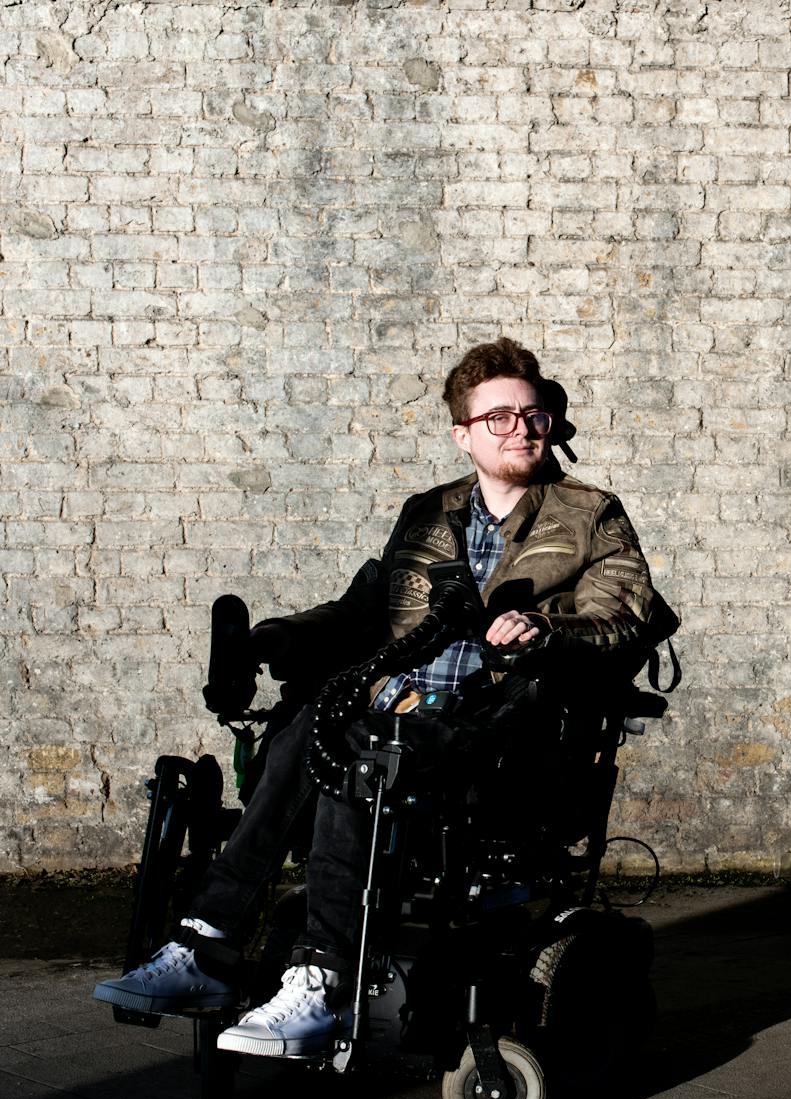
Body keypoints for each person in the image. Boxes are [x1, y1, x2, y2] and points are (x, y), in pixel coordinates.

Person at [94, 336, 674, 1057]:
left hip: (496, 729)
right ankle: (206, 945)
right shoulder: (428, 513)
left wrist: (543, 627)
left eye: (532, 414)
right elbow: (363, 610)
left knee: (360, 748)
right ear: (463, 433)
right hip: (392, 709)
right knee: (310, 723)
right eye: (498, 416)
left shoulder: (589, 514)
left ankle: (325, 981)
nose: (521, 428)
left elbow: (622, 614)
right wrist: (276, 637)